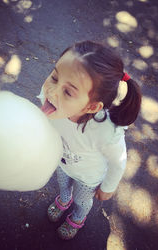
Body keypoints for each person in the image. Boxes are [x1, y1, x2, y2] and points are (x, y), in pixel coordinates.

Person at [37, 40, 141, 240]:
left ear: (92, 107)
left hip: (88, 177)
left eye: (68, 91)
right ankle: (63, 200)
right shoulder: (49, 102)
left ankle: (77, 217)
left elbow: (118, 161)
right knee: (62, 184)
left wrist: (108, 188)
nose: (52, 91)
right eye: (54, 77)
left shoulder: (105, 131)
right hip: (62, 161)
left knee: (82, 200)